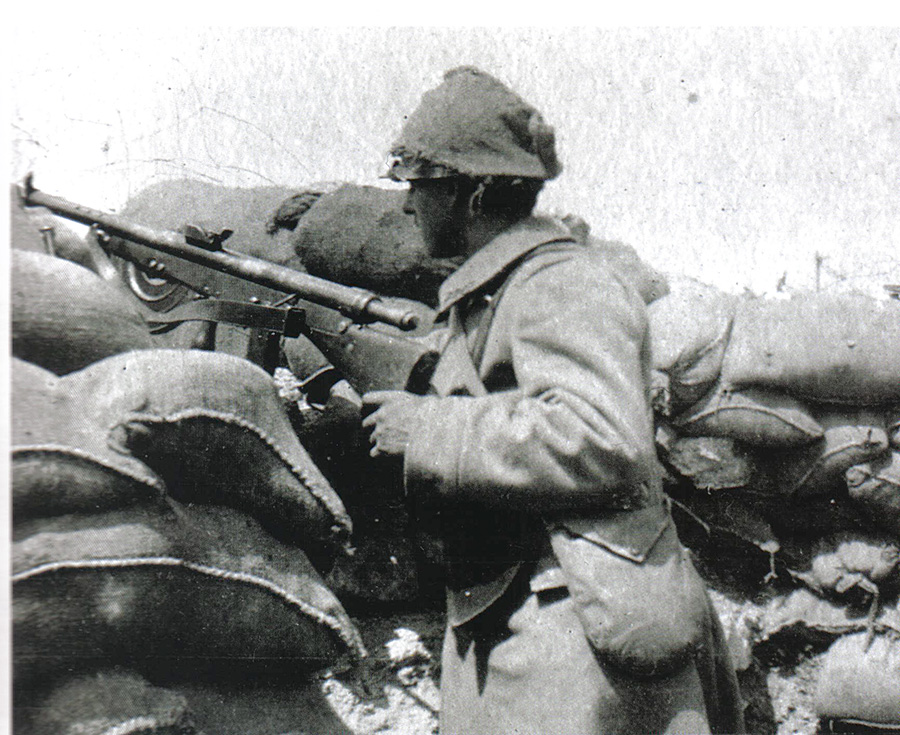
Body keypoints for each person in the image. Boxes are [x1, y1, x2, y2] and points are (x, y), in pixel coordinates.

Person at [362, 66, 744, 735]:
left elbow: (601, 435)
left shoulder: (561, 284)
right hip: (520, 617)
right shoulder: (500, 293)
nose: (407, 204)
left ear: (472, 194)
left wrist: (428, 429)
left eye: (420, 184)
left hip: (575, 631)